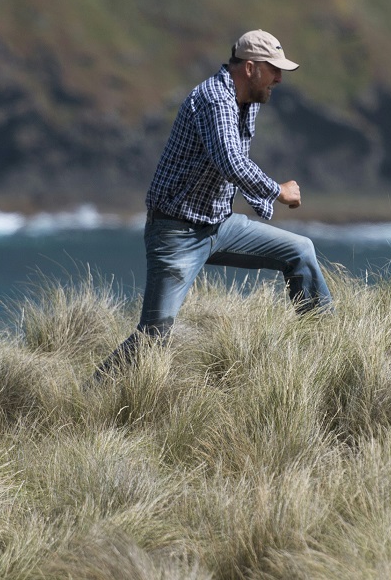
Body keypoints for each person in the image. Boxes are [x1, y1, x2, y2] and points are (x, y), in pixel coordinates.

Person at [99, 29, 331, 372]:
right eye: (273, 69)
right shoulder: (214, 99)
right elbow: (230, 161)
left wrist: (260, 203)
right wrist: (277, 192)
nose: (279, 79)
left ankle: (329, 349)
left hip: (220, 225)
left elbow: (234, 163)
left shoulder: (248, 101)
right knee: (154, 336)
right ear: (250, 68)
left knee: (301, 251)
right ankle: (90, 391)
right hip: (176, 233)